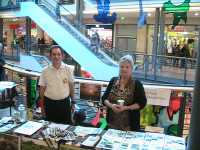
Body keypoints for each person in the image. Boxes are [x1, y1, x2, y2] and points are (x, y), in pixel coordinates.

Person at [102, 55, 147, 131]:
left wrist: (125, 108)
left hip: (129, 127)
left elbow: (142, 103)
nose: (124, 69)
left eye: (127, 67)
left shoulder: (137, 84)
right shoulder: (113, 80)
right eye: (122, 67)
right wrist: (112, 106)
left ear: (132, 68)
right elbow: (104, 99)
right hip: (111, 124)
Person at [39, 45, 74, 124]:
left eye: (58, 54)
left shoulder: (68, 69)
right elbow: (42, 89)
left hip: (64, 104)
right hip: (49, 104)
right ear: (50, 56)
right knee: (50, 128)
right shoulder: (45, 71)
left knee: (66, 127)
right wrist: (42, 106)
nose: (56, 57)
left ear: (62, 56)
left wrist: (73, 102)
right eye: (54, 54)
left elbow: (71, 86)